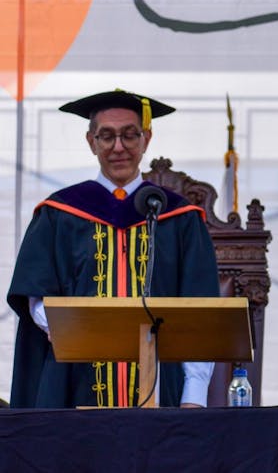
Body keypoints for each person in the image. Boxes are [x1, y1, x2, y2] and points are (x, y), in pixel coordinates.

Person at [7, 89, 220, 408]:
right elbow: (35, 296)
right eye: (106, 136)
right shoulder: (59, 213)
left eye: (129, 135)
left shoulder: (179, 218)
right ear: (91, 141)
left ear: (146, 140)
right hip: (73, 383)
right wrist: (63, 328)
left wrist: (193, 395)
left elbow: (201, 310)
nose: (118, 147)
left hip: (163, 387)